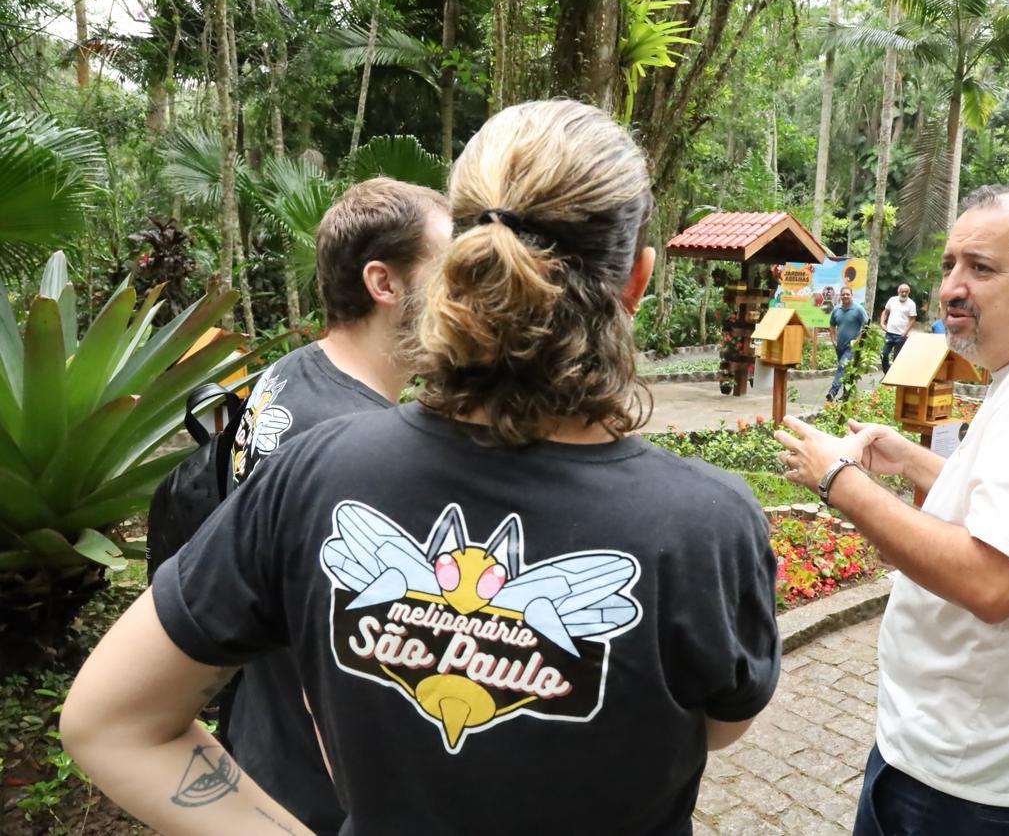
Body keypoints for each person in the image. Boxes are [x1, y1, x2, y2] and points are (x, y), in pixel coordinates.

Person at [61, 99, 780, 835]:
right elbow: (719, 727)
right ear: (637, 280)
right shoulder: (707, 523)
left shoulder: (318, 472)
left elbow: (109, 723)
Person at [774, 186, 1009, 833]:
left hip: (954, 769)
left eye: (981, 268)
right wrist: (911, 460)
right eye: (950, 264)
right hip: (996, 747)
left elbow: (992, 579)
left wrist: (837, 479)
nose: (953, 286)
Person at [212, 178, 456, 834]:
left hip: (261, 749)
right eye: (450, 270)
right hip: (322, 794)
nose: (465, 293)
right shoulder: (358, 452)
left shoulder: (284, 379)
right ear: (385, 283)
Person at [826, 285, 868, 402]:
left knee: (842, 367)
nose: (845, 296)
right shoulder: (836, 310)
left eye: (847, 294)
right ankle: (846, 395)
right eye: (843, 294)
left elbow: (866, 326)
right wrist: (833, 340)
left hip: (851, 347)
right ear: (840, 296)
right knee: (845, 371)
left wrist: (857, 341)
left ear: (851, 295)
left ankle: (832, 392)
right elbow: (831, 325)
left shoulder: (858, 309)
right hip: (840, 346)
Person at [879, 283, 917, 372]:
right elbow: (885, 312)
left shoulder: (911, 304)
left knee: (897, 358)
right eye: (902, 291)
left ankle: (894, 378)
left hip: (901, 335)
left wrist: (905, 332)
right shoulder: (892, 300)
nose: (904, 293)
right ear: (898, 291)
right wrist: (882, 323)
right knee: (883, 354)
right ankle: (886, 373)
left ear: (909, 292)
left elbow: (912, 319)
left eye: (906, 292)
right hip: (889, 333)